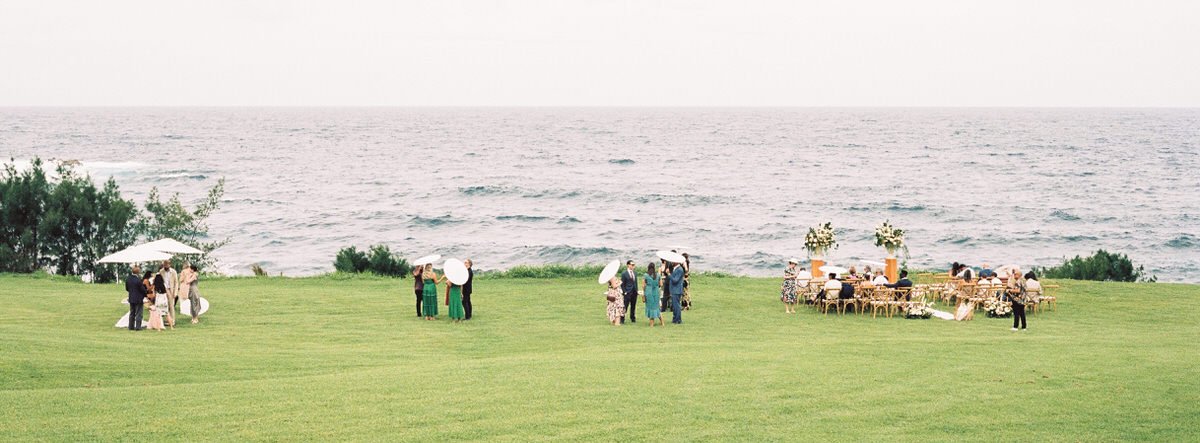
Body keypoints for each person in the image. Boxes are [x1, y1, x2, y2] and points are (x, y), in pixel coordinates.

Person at [125, 266, 147, 331]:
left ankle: (131, 326)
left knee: (132, 313)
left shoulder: (128, 279)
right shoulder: (138, 280)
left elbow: (127, 288)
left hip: (131, 298)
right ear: (138, 272)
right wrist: (146, 293)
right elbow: (142, 290)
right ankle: (138, 327)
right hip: (138, 299)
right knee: (138, 313)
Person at [158, 260, 178, 327]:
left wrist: (175, 292)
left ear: (170, 265)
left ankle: (172, 321)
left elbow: (176, 282)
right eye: (164, 265)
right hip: (164, 290)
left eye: (167, 265)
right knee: (163, 305)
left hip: (171, 289)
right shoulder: (161, 271)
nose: (166, 266)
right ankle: (165, 320)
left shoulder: (173, 272)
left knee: (171, 306)